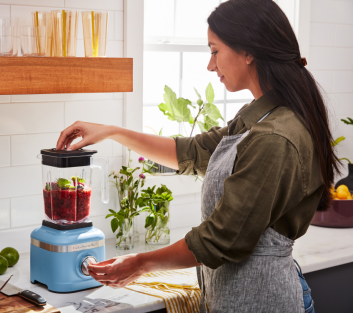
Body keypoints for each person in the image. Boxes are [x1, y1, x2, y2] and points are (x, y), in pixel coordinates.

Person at [55, 0, 337, 312]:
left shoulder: (274, 135)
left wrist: (139, 263)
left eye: (215, 51)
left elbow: (222, 239)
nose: (210, 65)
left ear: (249, 52)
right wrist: (111, 131)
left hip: (264, 301)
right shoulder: (257, 117)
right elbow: (191, 152)